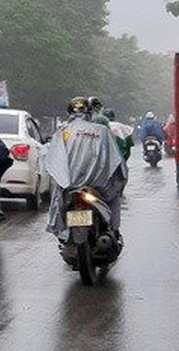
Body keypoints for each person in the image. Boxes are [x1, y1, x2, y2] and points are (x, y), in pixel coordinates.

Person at [45, 96, 127, 245]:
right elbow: (116, 160)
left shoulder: (62, 133)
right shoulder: (101, 131)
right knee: (115, 197)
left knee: (57, 197)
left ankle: (64, 234)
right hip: (98, 187)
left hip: (69, 186)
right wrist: (120, 179)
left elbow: (52, 163)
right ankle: (114, 230)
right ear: (90, 111)